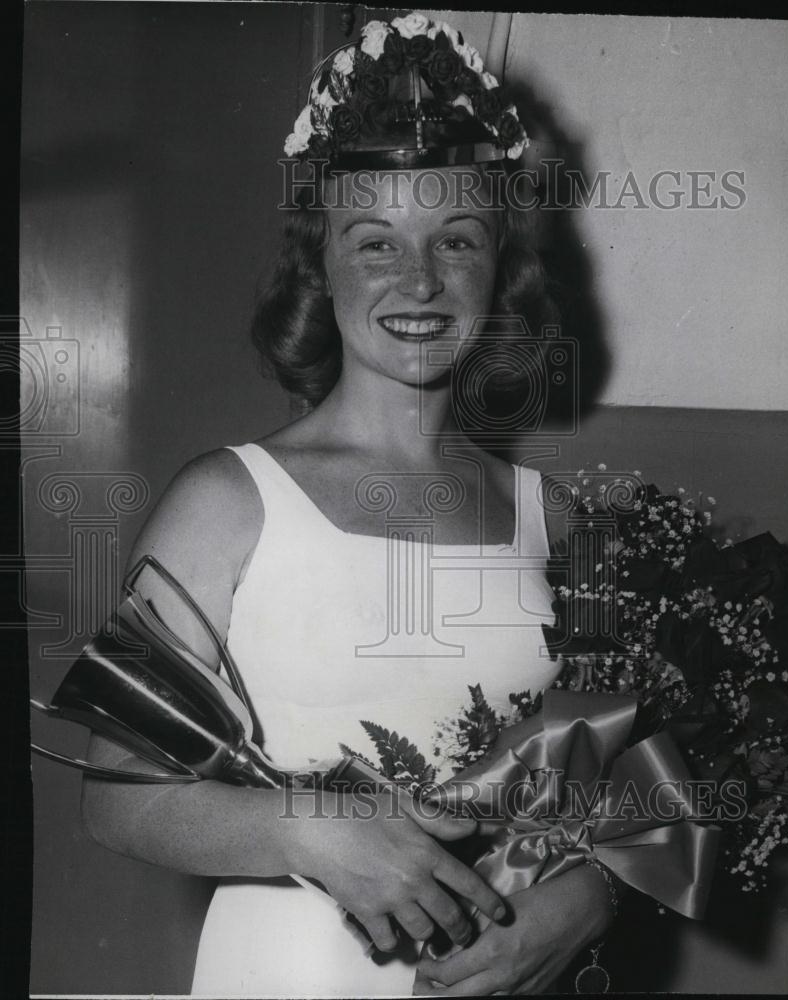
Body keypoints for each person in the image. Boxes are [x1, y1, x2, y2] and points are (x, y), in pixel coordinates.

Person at [81, 14, 617, 997]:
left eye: (456, 240)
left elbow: (624, 781)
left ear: (500, 266)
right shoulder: (224, 502)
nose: (420, 280)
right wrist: (307, 828)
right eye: (375, 244)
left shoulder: (563, 524)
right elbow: (119, 796)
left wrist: (592, 896)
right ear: (318, 266)